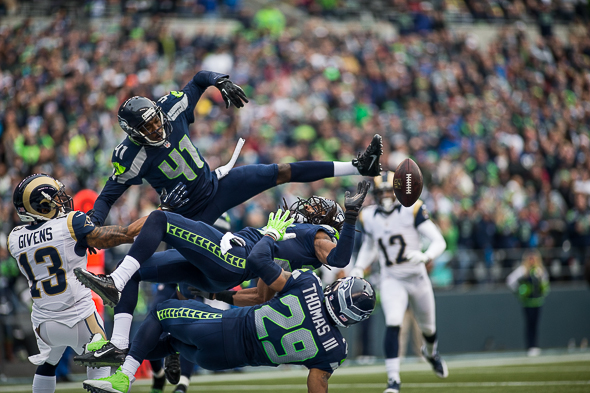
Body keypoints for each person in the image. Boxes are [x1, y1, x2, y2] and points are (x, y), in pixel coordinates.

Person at [73, 181, 371, 367]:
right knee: (137, 272)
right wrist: (216, 294)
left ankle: (115, 282)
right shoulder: (290, 266)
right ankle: (120, 346)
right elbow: (255, 297)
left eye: (320, 213)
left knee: (161, 218)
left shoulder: (316, 236)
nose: (310, 210)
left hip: (232, 257)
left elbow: (339, 256)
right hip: (225, 272)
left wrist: (352, 216)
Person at [90, 69, 383, 228]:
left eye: (154, 120)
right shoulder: (130, 156)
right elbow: (107, 197)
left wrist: (220, 80)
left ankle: (358, 166)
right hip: (190, 216)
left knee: (279, 171)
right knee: (181, 276)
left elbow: (198, 79)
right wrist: (92, 222)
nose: (155, 128)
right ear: (133, 133)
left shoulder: (171, 108)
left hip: (217, 185)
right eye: (147, 127)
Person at [7, 173, 154, 393]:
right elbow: (125, 234)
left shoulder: (14, 238)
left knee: (48, 365)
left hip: (44, 323)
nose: (61, 201)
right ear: (42, 206)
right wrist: (160, 216)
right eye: (54, 199)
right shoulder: (70, 224)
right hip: (80, 319)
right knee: (102, 361)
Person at [349, 171, 448, 393]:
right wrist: (359, 266)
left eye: (388, 191)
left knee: (429, 329)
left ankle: (431, 353)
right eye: (380, 191)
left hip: (417, 276)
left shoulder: (411, 209)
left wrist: (426, 256)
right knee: (393, 322)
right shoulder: (369, 216)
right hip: (391, 277)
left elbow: (439, 241)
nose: (384, 195)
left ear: (397, 192)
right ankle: (393, 379)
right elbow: (370, 245)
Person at [506, 249, 550, 357]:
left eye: (533, 258)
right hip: (527, 302)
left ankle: (534, 345)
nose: (532, 260)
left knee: (535, 324)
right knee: (529, 324)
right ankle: (530, 346)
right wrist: (520, 291)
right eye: (530, 258)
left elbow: (546, 284)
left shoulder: (540, 270)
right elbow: (510, 280)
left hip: (537, 301)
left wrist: (542, 291)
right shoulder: (522, 270)